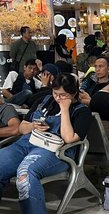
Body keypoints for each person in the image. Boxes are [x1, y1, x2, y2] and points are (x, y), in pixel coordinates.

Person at [0, 73, 93, 214]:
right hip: (27, 143)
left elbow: (68, 138)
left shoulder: (82, 112)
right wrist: (33, 126)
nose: (58, 98)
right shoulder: (44, 101)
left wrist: (65, 110)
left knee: (26, 173)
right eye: (55, 93)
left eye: (63, 95)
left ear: (74, 94)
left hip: (56, 152)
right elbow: (21, 128)